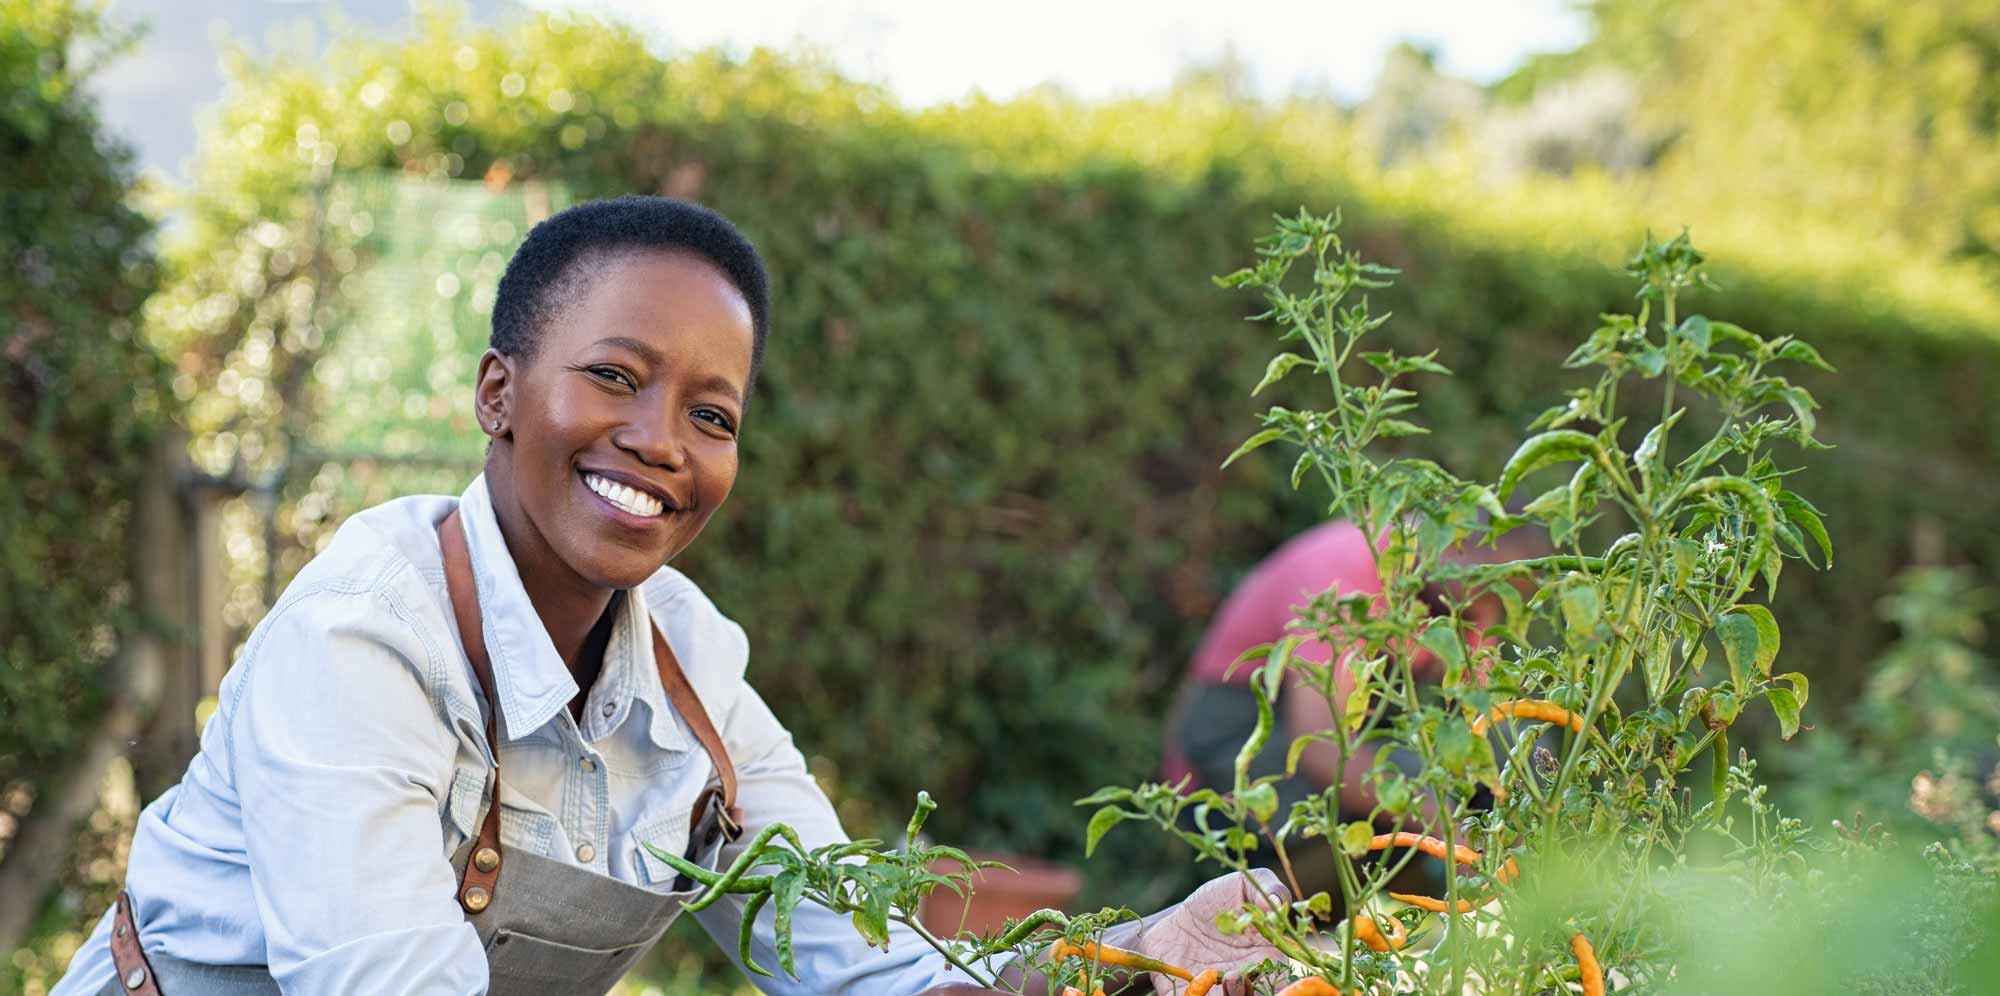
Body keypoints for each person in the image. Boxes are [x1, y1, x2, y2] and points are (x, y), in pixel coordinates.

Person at [52, 197, 1287, 996]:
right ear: (497, 394)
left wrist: (1121, 961)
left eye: (711, 415)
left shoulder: (689, 668)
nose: (660, 443)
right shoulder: (364, 641)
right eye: (613, 377)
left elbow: (861, 961)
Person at [1163, 519, 1519, 896]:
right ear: (1456, 551)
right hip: (1234, 743)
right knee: (1408, 791)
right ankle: (1255, 908)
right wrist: (1445, 827)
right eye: (1489, 590)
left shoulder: (1462, 598)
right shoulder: (1342, 576)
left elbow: (1490, 713)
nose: (1491, 609)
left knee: (1500, 756)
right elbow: (1319, 745)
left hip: (1333, 740)